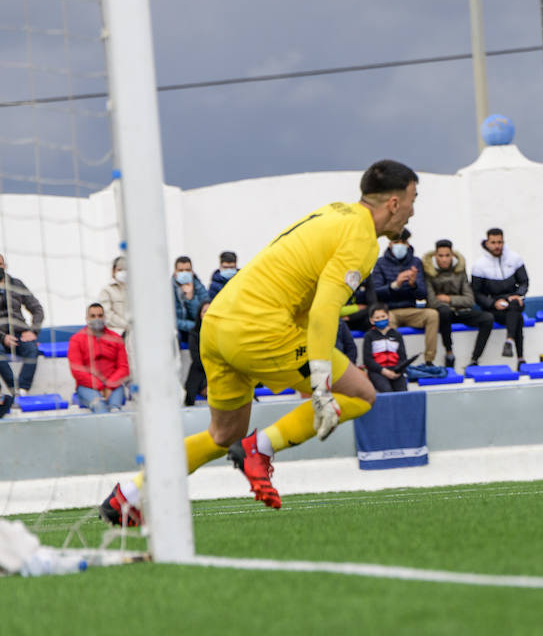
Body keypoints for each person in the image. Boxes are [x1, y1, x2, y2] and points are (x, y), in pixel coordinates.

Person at [98, 159, 417, 526]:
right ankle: (259, 449)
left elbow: (304, 288)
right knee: (362, 395)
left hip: (217, 325)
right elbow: (323, 312)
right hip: (260, 329)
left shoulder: (335, 212)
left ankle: (129, 495)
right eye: (412, 199)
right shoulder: (361, 239)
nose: (412, 211)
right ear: (394, 203)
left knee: (222, 434)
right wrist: (322, 386)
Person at [370, 228, 440, 366]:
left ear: (408, 244)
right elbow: (376, 292)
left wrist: (414, 285)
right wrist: (396, 284)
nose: (400, 245)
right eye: (397, 241)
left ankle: (429, 360)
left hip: (411, 310)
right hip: (390, 311)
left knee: (433, 315)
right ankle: (396, 362)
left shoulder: (415, 262)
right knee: (386, 321)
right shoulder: (380, 263)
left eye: (404, 242)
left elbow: (423, 295)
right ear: (390, 243)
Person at [423, 239, 493, 369]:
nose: (444, 259)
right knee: (443, 312)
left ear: (452, 256)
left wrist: (448, 299)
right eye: (441, 256)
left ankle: (475, 358)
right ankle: (449, 353)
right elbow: (432, 301)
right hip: (441, 313)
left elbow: (469, 300)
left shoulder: (460, 270)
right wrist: (449, 302)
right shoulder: (428, 272)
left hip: (460, 311)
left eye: (447, 255)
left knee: (488, 318)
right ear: (435, 256)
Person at [471, 228, 530, 368]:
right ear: (487, 243)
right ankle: (520, 358)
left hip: (512, 301)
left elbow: (524, 282)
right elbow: (476, 294)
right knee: (518, 318)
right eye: (493, 242)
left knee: (515, 304)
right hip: (494, 307)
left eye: (500, 242)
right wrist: (493, 303)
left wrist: (518, 294)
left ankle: (509, 342)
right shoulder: (479, 266)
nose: (497, 245)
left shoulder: (515, 258)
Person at [69, 303, 130, 412]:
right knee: (99, 407)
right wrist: (100, 386)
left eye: (100, 315)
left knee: (115, 410)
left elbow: (124, 368)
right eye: (93, 316)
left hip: (114, 385)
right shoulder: (76, 339)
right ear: (87, 318)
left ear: (105, 317)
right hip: (87, 387)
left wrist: (109, 385)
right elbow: (77, 370)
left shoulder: (116, 338)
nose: (97, 319)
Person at [0, 253, 44, 397]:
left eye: (0, 264)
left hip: (20, 333)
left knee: (32, 349)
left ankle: (23, 389)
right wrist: (3, 337)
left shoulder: (16, 284)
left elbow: (37, 309)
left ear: (5, 265)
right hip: (1, 336)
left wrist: (33, 330)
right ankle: (13, 388)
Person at [362, 304, 409, 393]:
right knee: (386, 391)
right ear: (372, 320)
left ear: (388, 317)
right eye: (377, 318)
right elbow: (367, 360)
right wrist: (383, 371)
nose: (380, 320)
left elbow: (403, 357)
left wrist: (398, 371)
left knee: (402, 392)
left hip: (395, 370)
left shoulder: (397, 335)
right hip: (378, 371)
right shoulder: (369, 336)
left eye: (383, 316)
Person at [171, 256, 209, 347]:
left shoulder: (199, 287)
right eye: (181, 270)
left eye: (187, 270)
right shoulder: (169, 290)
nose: (184, 273)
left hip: (197, 333)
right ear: (175, 273)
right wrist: (194, 326)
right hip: (180, 332)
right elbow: (172, 320)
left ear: (192, 272)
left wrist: (190, 298)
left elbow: (202, 315)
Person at [182, 301, 211, 406]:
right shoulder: (194, 333)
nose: (207, 314)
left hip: (218, 372)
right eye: (205, 311)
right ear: (200, 314)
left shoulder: (221, 332)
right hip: (200, 373)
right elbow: (196, 358)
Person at [97, 256, 129, 335]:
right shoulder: (106, 290)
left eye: (125, 270)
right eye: (119, 270)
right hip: (116, 333)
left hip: (135, 334)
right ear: (113, 271)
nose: (123, 273)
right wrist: (126, 325)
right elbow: (107, 314)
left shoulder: (135, 291)